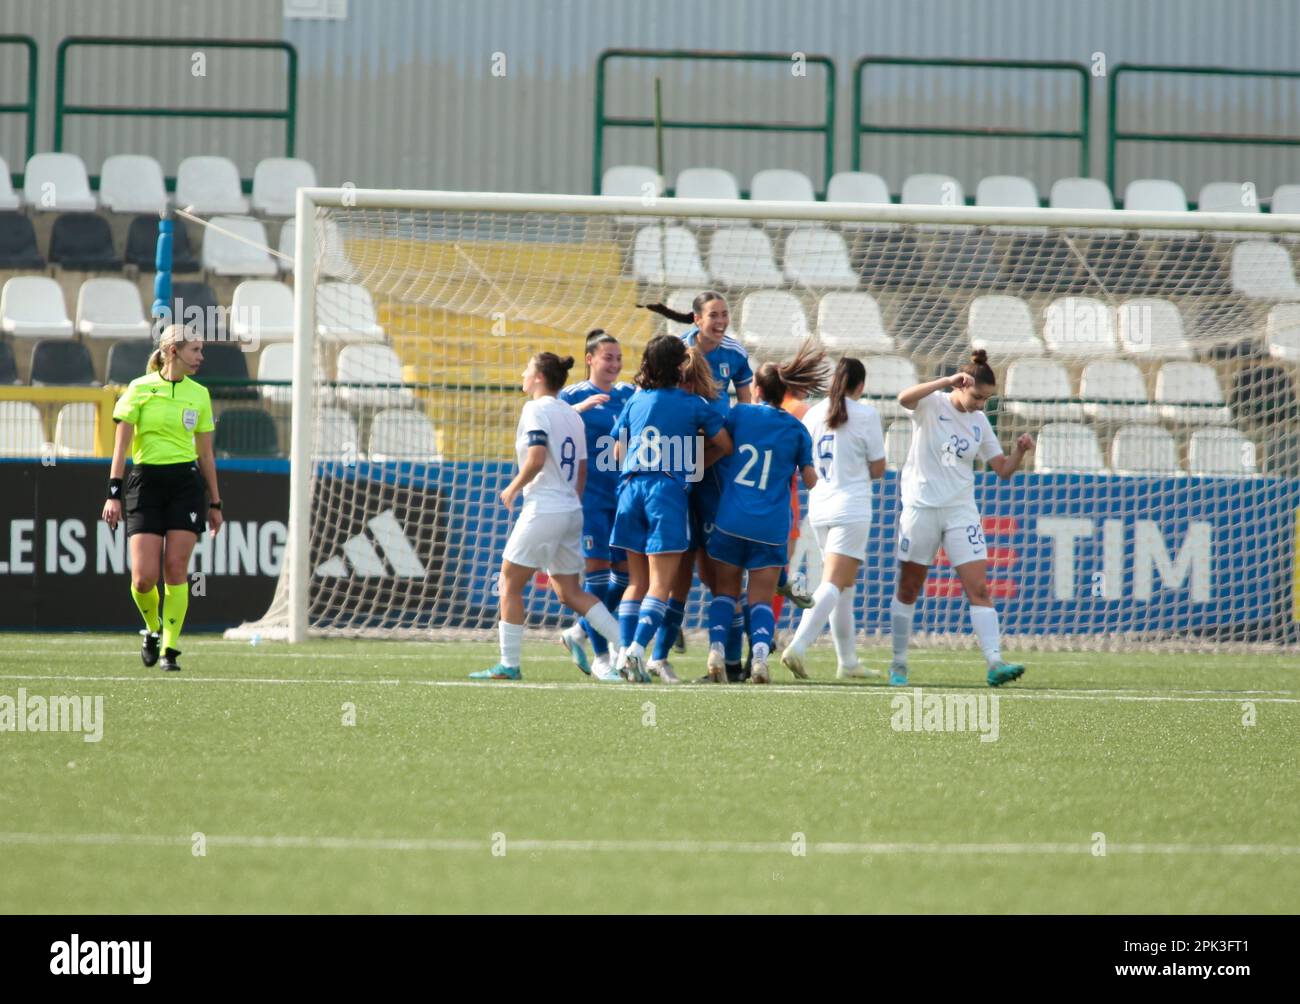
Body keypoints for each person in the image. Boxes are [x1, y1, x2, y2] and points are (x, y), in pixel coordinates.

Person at [471, 352, 623, 681]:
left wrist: (513, 488)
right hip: (571, 509)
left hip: (544, 507)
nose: (523, 373)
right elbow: (581, 470)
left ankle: (509, 665)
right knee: (570, 592)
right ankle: (628, 649)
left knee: (508, 584)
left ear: (539, 377)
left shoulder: (535, 409)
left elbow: (537, 458)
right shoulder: (572, 415)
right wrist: (570, 502)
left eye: (527, 368)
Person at [889, 349, 1035, 687]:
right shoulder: (932, 404)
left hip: (960, 511)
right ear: (961, 385)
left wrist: (1019, 451)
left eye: (986, 399)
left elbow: (1002, 470)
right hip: (921, 507)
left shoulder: (979, 422)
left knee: (979, 588)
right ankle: (898, 664)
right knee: (909, 587)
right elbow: (902, 398)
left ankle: (995, 662)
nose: (981, 404)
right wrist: (944, 381)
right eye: (977, 396)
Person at [101, 323, 223, 672]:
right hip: (145, 484)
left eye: (200, 350)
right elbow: (121, 447)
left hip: (185, 485)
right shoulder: (139, 390)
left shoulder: (199, 394)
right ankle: (153, 629)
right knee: (142, 578)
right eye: (195, 350)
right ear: (173, 352)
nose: (200, 357)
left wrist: (215, 502)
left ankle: (169, 648)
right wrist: (113, 494)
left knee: (175, 569)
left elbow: (206, 456)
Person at [609, 335, 731, 681]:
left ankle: (623, 656)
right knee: (661, 585)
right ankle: (635, 653)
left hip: (631, 489)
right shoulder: (693, 405)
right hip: (665, 491)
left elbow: (618, 451)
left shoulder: (636, 401)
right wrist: (694, 466)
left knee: (636, 582)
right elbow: (725, 444)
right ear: (680, 366)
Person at [704, 343, 826, 683]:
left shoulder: (740, 414)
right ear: (784, 390)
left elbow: (718, 441)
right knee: (759, 598)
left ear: (756, 389)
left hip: (731, 519)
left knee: (726, 591)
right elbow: (812, 481)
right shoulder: (797, 430)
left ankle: (715, 649)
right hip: (771, 526)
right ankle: (759, 658)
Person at [780, 357, 886, 680]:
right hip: (850, 509)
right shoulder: (866, 414)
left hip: (820, 507)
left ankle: (848, 661)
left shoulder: (813, 413)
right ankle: (797, 646)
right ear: (861, 386)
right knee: (833, 584)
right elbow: (879, 468)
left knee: (843, 587)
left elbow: (804, 463)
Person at [556, 330, 635, 679]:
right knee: (598, 577)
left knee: (627, 575)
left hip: (624, 497)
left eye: (618, 358)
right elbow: (549, 425)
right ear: (590, 359)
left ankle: (579, 632)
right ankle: (603, 659)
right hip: (590, 499)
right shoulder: (572, 396)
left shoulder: (630, 394)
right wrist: (577, 410)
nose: (615, 364)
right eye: (608, 357)